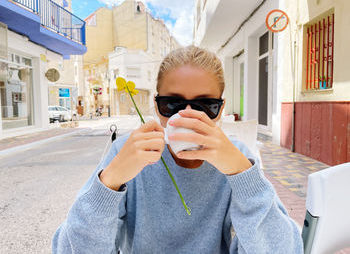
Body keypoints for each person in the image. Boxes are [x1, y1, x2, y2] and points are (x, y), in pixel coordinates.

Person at [52, 46, 303, 253]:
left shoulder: (235, 157)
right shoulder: (129, 153)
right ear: (157, 105)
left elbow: (286, 248)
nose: (188, 115)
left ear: (221, 108)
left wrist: (241, 173)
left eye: (205, 105)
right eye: (172, 103)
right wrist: (110, 181)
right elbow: (67, 248)